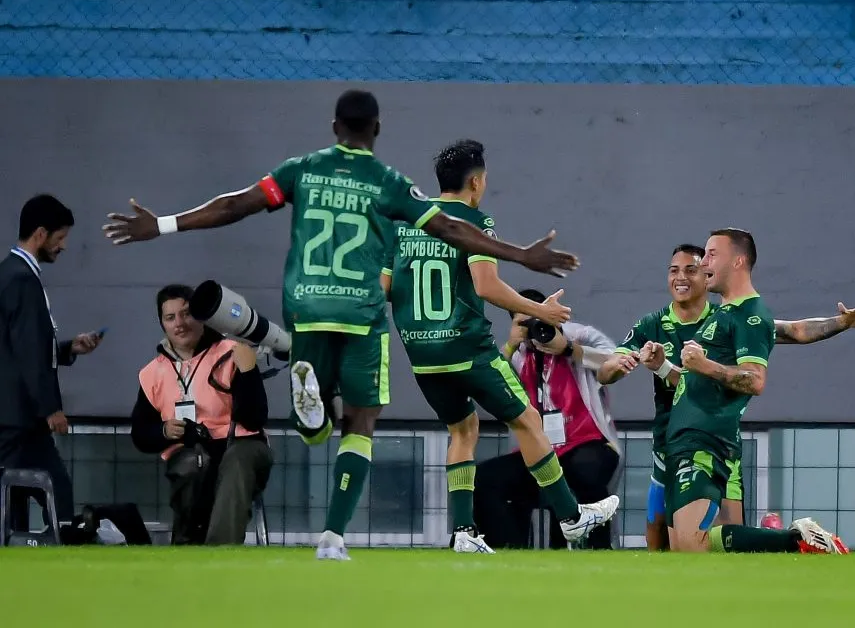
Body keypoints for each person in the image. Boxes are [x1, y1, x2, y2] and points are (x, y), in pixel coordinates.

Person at [102, 90, 580, 561]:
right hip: (362, 315)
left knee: (323, 426)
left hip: (308, 307)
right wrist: (523, 256)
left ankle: (313, 415)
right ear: (376, 130)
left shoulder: (302, 170)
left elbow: (236, 204)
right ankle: (333, 535)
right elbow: (453, 230)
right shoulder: (387, 183)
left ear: (334, 128)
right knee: (362, 424)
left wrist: (162, 225)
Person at [384, 140, 619, 553]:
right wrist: (540, 312)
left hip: (422, 355)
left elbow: (385, 287)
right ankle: (571, 518)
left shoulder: (405, 224)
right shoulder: (473, 221)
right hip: (466, 347)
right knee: (527, 418)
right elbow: (486, 286)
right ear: (475, 182)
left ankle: (462, 534)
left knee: (463, 429)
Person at [598, 243, 855, 550]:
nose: (681, 278)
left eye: (691, 270)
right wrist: (625, 363)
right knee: (668, 545)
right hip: (668, 442)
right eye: (673, 271)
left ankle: (790, 541)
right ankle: (784, 538)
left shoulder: (726, 319)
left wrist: (840, 322)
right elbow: (607, 370)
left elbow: (793, 331)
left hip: (712, 437)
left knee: (717, 536)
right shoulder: (652, 324)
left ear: (706, 276)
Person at [652, 228, 847, 553]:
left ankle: (796, 541)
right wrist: (840, 322)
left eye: (713, 254)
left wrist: (704, 365)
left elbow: (755, 379)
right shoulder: (726, 313)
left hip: (704, 439)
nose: (704, 261)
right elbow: (795, 331)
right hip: (682, 440)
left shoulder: (750, 315)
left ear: (738, 261)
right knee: (683, 552)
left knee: (691, 543)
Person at [474, 289, 622, 549]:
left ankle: (598, 550)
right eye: (525, 322)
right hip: (538, 453)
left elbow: (617, 359)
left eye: (539, 319)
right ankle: (508, 552)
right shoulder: (517, 354)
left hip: (586, 444)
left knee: (582, 474)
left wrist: (568, 349)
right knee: (486, 478)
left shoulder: (577, 335)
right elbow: (489, 390)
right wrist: (509, 346)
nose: (535, 329)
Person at [130, 284, 273, 545]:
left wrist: (249, 372)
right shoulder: (152, 373)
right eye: (170, 317)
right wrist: (163, 432)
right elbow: (140, 435)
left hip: (243, 446)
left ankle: (219, 551)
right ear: (162, 323)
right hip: (192, 453)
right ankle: (187, 546)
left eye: (186, 314)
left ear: (201, 317)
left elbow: (255, 418)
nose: (179, 324)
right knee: (193, 463)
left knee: (236, 461)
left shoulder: (232, 352)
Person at [0, 194, 103, 531]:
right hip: (21, 419)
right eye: (61, 238)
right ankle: (63, 551)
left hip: (16, 416)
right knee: (55, 489)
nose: (64, 247)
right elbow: (29, 353)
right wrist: (51, 408)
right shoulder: (22, 280)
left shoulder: (9, 274)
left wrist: (68, 348)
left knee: (15, 497)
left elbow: (17, 349)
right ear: (41, 234)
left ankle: (20, 553)